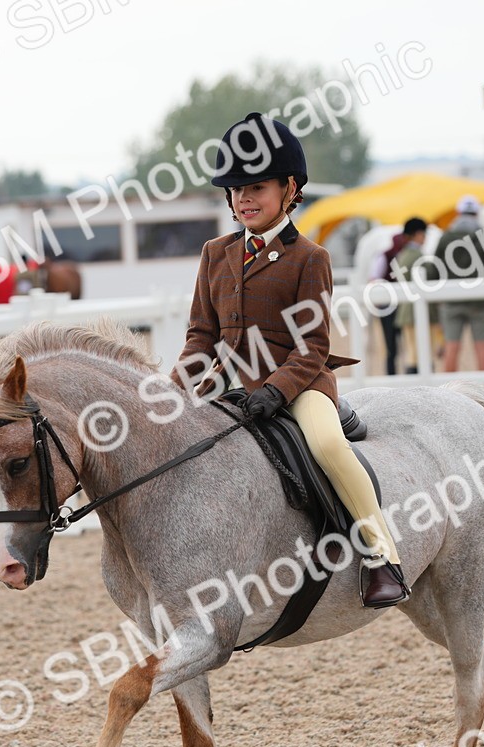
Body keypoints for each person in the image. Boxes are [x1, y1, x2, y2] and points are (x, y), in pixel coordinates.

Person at [169, 112, 409, 608]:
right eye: (235, 190)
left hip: (299, 385)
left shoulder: (309, 258)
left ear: (289, 188)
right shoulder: (215, 253)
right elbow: (201, 336)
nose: (244, 199)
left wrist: (276, 391)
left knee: (326, 445)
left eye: (255, 187)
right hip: (234, 385)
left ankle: (382, 558)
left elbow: (312, 346)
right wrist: (173, 387)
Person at [433, 195, 484, 372]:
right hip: (479, 302)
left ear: (459, 212)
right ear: (477, 213)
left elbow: (435, 269)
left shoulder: (446, 237)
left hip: (451, 300)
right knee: (482, 348)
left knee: (452, 347)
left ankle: (447, 394)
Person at [389, 218, 430, 375]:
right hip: (418, 310)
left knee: (412, 353)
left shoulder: (403, 254)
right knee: (422, 352)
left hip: (405, 311)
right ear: (418, 234)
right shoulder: (418, 255)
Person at [369, 230, 407, 375]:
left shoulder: (391, 255)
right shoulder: (386, 256)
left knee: (401, 342)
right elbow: (374, 278)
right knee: (390, 343)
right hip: (388, 305)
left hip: (399, 304)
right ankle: (391, 373)